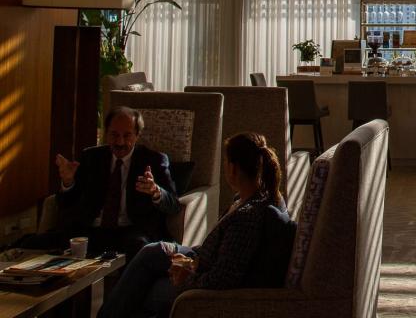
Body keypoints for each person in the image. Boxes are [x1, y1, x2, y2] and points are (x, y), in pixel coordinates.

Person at [98, 132, 289, 318]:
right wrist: (191, 261)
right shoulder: (243, 199)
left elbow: (222, 279)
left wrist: (187, 277)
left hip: (203, 281)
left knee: (145, 289)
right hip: (200, 261)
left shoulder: (247, 217)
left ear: (233, 168)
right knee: (153, 251)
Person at [24, 106, 179, 260]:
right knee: (29, 244)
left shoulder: (155, 160)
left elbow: (174, 205)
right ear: (106, 133)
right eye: (114, 135)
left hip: (130, 231)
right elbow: (66, 203)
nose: (120, 142)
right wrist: (68, 182)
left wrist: (156, 191)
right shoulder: (91, 157)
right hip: (90, 230)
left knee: (139, 247)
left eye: (127, 135)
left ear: (137, 135)